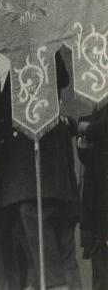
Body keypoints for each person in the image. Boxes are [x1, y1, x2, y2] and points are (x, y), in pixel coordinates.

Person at [0, 52, 82, 290]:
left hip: (34, 186)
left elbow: (3, 116)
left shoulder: (22, 71)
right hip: (53, 184)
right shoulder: (55, 110)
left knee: (47, 255)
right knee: (57, 257)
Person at [77, 104, 108, 290]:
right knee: (99, 253)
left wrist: (88, 129)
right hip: (98, 196)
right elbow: (89, 159)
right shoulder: (94, 112)